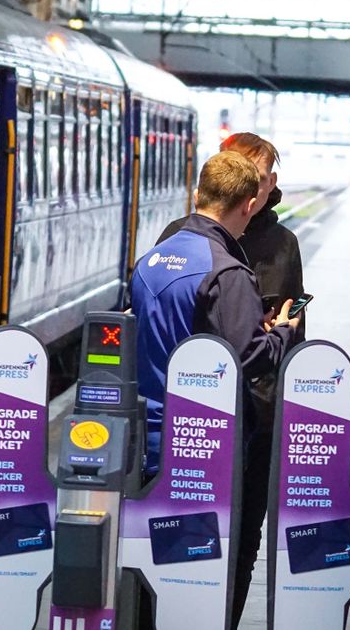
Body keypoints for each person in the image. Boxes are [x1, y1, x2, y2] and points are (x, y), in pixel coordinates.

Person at [132, 149, 301, 630]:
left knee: (155, 567)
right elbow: (249, 358)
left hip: (150, 438)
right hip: (203, 446)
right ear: (248, 204)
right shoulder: (226, 271)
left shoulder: (153, 259)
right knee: (200, 573)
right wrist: (283, 331)